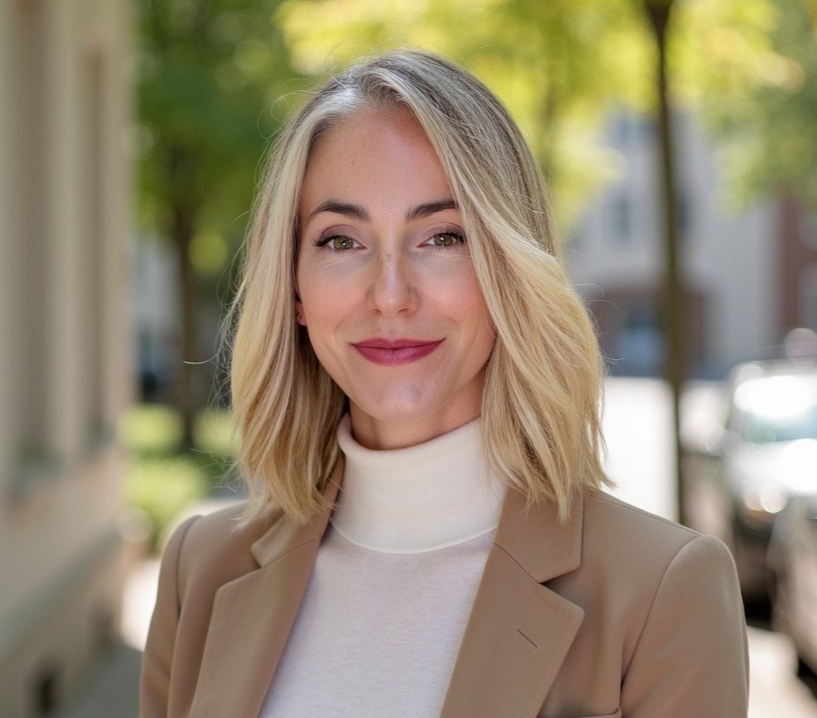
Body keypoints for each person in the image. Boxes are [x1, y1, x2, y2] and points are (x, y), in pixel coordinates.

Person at [140, 49, 749, 718]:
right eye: (341, 240)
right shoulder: (201, 570)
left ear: (507, 269)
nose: (391, 294)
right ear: (293, 287)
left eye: (440, 236)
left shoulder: (661, 591)